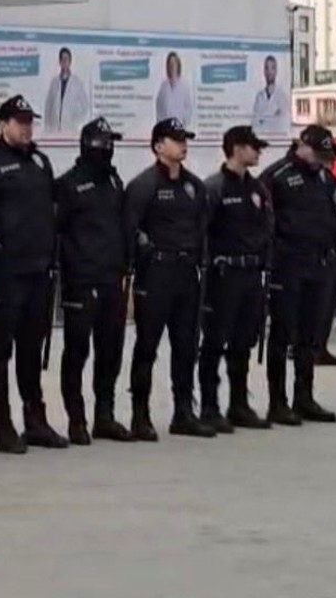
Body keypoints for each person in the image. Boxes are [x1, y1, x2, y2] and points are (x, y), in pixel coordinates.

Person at [0, 95, 68, 453]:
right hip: (3, 276)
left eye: (29, 121)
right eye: (19, 121)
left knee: (31, 350)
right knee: (0, 351)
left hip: (38, 272)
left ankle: (35, 421)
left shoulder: (40, 162)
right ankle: (2, 426)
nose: (26, 128)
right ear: (2, 125)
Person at [124, 117, 215, 440]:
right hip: (156, 274)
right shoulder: (144, 185)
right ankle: (140, 415)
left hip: (187, 273)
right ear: (159, 146)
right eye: (176, 140)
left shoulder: (194, 186)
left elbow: (202, 227)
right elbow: (130, 229)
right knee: (147, 346)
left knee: (186, 345)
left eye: (184, 139)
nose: (183, 145)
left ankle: (184, 411)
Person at [54, 117, 134, 444]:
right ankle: (76, 419)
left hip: (112, 279)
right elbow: (56, 232)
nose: (108, 148)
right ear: (88, 145)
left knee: (110, 351)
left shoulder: (114, 181)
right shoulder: (68, 185)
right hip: (81, 282)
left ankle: (105, 415)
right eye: (103, 143)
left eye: (111, 143)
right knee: (77, 352)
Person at [197, 126, 275, 432]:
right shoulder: (214, 187)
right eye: (254, 147)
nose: (258, 152)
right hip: (223, 275)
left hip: (251, 274)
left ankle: (239, 404)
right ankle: (209, 406)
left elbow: (267, 227)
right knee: (214, 341)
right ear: (237, 149)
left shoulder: (257, 189)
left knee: (243, 342)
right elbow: (201, 230)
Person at [263, 125, 336, 425]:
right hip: (287, 266)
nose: (321, 160)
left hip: (317, 265)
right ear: (302, 145)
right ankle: (277, 402)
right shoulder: (277, 175)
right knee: (282, 335)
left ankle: (304, 397)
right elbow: (262, 219)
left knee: (309, 337)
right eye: (317, 153)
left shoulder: (322, 176)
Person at [313, 153, 336, 367]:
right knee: (323, 304)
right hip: (326, 253)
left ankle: (315, 347)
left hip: (324, 252)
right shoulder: (329, 185)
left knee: (322, 304)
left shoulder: (325, 182)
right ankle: (315, 349)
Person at [44, 47, 92, 135]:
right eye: (62, 59)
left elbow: (85, 106)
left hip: (70, 128)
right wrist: (47, 125)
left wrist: (75, 120)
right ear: (59, 62)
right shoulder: (54, 82)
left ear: (70, 62)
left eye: (66, 59)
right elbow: (48, 106)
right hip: (54, 129)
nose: (64, 61)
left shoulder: (77, 83)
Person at [251, 56, 290, 138]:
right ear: (264, 71)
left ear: (276, 71)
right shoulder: (259, 96)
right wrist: (273, 115)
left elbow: (282, 123)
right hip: (261, 139)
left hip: (277, 140)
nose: (269, 72)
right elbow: (255, 123)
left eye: (272, 68)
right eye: (266, 68)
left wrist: (264, 119)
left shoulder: (282, 96)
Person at [154, 52, 194, 125]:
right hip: (166, 126)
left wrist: (184, 123)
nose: (172, 67)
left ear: (178, 65)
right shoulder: (164, 85)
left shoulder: (184, 85)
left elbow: (188, 108)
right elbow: (159, 107)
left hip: (179, 126)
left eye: (174, 64)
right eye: (170, 65)